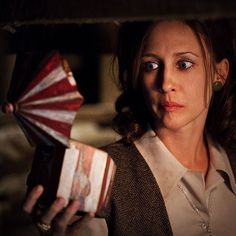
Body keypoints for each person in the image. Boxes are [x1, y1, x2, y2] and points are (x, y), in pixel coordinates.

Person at [23, 19, 236, 236]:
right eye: (150, 65)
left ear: (220, 72)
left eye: (183, 64)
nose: (165, 83)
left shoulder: (232, 161)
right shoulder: (103, 176)